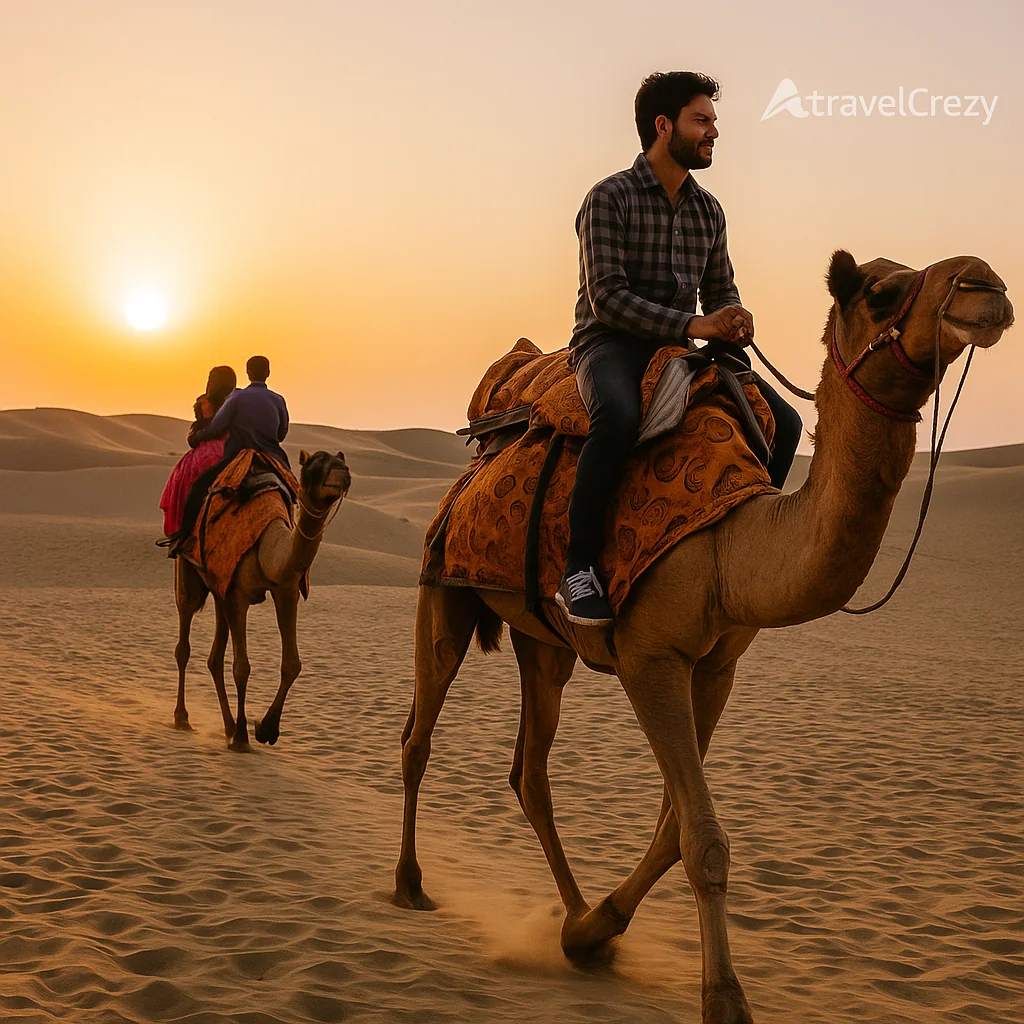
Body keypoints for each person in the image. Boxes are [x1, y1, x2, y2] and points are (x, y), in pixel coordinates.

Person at [556, 71, 803, 627]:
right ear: (663, 126)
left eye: (713, 121)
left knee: (781, 423)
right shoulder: (608, 197)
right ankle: (577, 569)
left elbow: (721, 289)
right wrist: (697, 322)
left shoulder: (708, 211)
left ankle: (745, 549)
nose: (714, 130)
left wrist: (733, 316)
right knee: (617, 417)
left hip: (683, 346)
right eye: (703, 120)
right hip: (610, 341)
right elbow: (609, 298)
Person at [158, 365, 237, 537]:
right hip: (236, 445)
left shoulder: (206, 403)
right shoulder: (239, 399)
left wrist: (196, 436)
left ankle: (184, 533)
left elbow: (202, 429)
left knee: (183, 477)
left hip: (211, 447)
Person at [189, 354, 290, 466]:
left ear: (247, 373)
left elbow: (215, 428)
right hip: (273, 455)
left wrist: (197, 436)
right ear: (268, 373)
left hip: (238, 454)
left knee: (201, 483)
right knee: (291, 481)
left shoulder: (236, 397)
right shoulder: (278, 400)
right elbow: (281, 435)